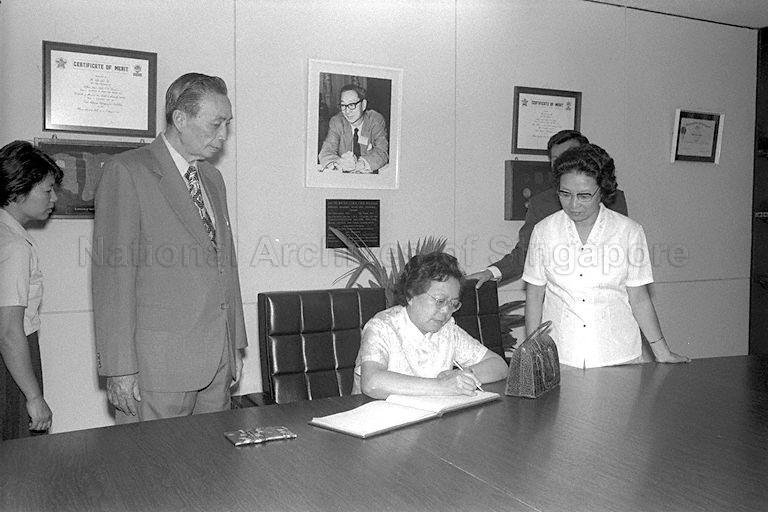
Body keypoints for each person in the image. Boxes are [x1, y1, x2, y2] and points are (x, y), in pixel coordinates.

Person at [92, 73, 247, 422]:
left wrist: (234, 343)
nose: (223, 135)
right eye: (216, 123)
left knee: (212, 468)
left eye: (227, 123)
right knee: (152, 471)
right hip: (157, 370)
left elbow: (226, 264)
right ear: (180, 119)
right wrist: (119, 369)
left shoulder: (211, 178)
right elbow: (112, 281)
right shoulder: (127, 172)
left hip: (216, 364)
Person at [522, 143, 688, 368]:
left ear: (603, 189)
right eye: (565, 194)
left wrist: (661, 352)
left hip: (618, 355)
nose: (573, 204)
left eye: (584, 196)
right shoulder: (544, 231)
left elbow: (639, 298)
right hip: (561, 356)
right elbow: (534, 295)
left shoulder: (629, 231)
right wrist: (533, 352)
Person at [468, 130, 628, 286]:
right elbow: (527, 252)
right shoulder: (541, 203)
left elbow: (621, 252)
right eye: (556, 159)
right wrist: (492, 272)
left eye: (569, 156)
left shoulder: (613, 197)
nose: (562, 164)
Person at [354, 252, 508, 399]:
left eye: (453, 304)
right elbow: (371, 383)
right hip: (376, 419)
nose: (446, 311)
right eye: (440, 301)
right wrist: (441, 386)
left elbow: (499, 365)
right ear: (411, 295)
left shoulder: (447, 329)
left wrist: (464, 376)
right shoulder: (382, 327)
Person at [0, 140, 62, 439]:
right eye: (47, 190)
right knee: (21, 459)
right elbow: (10, 332)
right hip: (11, 367)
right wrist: (34, 398)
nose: (54, 198)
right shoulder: (14, 247)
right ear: (17, 190)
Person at [318, 84, 389, 173]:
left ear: (363, 105)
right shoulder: (337, 122)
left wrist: (361, 164)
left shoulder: (375, 120)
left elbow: (382, 152)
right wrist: (339, 163)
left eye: (352, 104)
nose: (347, 111)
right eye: (343, 105)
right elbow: (326, 151)